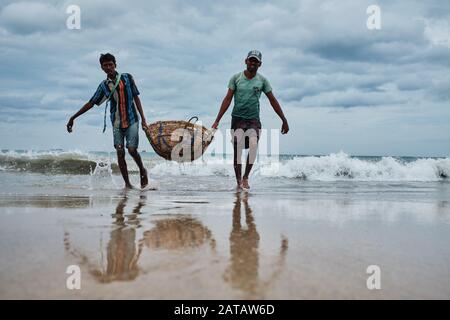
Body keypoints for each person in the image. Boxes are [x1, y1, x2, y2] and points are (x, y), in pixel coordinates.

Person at [66, 53, 148, 189]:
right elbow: (91, 103)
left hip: (132, 119)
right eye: (105, 65)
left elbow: (136, 98)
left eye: (111, 64)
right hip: (116, 123)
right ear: (102, 68)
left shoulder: (127, 78)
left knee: (132, 150)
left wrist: (144, 119)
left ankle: (142, 170)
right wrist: (73, 117)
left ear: (115, 65)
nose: (108, 67)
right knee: (120, 152)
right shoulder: (104, 86)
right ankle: (127, 184)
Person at [212, 50, 289, 190]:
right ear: (246, 61)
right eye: (251, 60)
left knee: (253, 144)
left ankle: (246, 177)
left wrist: (284, 119)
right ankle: (238, 182)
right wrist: (217, 120)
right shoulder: (236, 78)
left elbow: (273, 100)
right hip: (237, 119)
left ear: (260, 64)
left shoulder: (262, 81)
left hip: (253, 119)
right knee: (238, 150)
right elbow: (227, 99)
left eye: (256, 61)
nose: (253, 63)